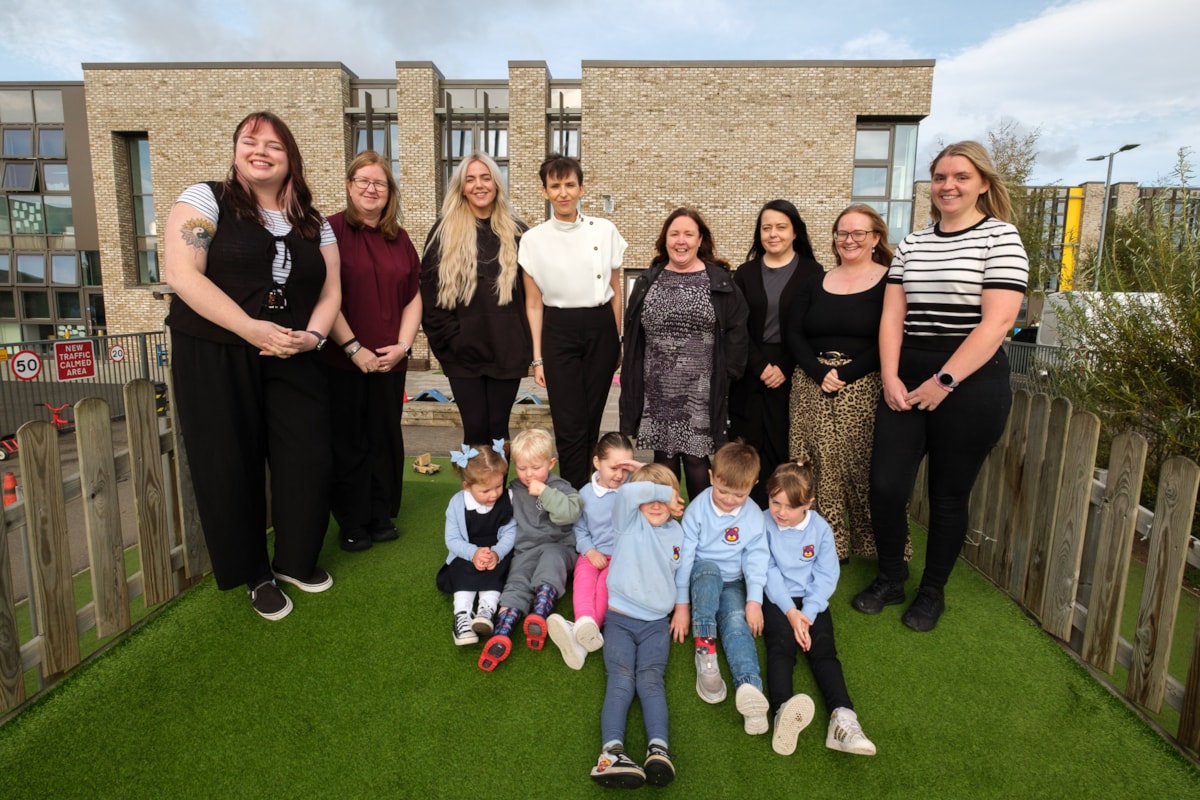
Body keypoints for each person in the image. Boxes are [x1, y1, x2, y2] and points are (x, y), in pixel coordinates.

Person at [163, 111, 340, 620]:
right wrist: (249, 328)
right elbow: (182, 272)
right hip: (216, 350)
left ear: (291, 159)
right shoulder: (205, 199)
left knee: (307, 456)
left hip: (296, 351)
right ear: (237, 149)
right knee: (228, 461)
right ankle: (254, 574)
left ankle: (294, 560)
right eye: (250, 141)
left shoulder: (313, 222)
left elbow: (331, 290)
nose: (260, 151)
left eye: (274, 145)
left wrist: (314, 336)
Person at [853, 141, 1029, 632]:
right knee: (886, 487)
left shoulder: (1001, 239)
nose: (948, 185)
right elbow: (893, 315)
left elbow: (997, 323)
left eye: (961, 177)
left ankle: (932, 592)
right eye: (941, 177)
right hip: (905, 379)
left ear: (984, 185)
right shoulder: (912, 244)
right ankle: (891, 577)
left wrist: (944, 381)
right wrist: (890, 375)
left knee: (949, 495)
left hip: (970, 383)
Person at [787, 204, 900, 562]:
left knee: (861, 466)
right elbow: (793, 332)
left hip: (864, 386)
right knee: (817, 466)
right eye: (842, 233)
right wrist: (820, 373)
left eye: (858, 234)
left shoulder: (891, 281)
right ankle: (830, 544)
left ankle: (873, 545)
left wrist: (846, 375)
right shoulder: (815, 280)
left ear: (875, 238)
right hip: (811, 386)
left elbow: (892, 336)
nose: (848, 240)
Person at [325, 151, 422, 552]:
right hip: (341, 361)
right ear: (349, 186)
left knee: (384, 438)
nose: (371, 188)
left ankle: (380, 515)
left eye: (379, 183)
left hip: (389, 363)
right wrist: (353, 348)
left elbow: (414, 296)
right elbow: (324, 295)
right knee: (349, 441)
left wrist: (402, 347)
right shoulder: (329, 231)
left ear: (389, 192)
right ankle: (352, 521)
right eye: (363, 181)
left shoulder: (399, 239)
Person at [620, 207, 749, 500]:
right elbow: (634, 335)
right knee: (663, 460)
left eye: (688, 234)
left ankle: (702, 528)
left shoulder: (720, 281)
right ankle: (665, 533)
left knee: (696, 459)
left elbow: (738, 332)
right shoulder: (647, 280)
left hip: (701, 390)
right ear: (665, 239)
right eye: (674, 234)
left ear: (700, 239)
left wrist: (728, 375)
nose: (681, 241)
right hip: (657, 388)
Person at [520, 154, 627, 489]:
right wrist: (538, 358)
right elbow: (534, 304)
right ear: (545, 192)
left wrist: (617, 339)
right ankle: (570, 500)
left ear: (581, 188)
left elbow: (616, 291)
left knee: (591, 419)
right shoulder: (533, 239)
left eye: (569, 185)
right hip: (558, 329)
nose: (563, 192)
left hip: (600, 328)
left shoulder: (605, 230)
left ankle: (589, 497)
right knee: (568, 423)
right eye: (555, 186)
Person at [762, 460, 877, 757]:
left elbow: (826, 576)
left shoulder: (821, 529)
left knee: (824, 652)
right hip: (778, 600)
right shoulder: (762, 523)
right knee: (781, 647)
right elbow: (767, 570)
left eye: (789, 507)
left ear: (809, 504)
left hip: (812, 602)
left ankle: (843, 720)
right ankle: (782, 711)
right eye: (775, 503)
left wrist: (808, 614)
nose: (781, 513)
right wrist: (791, 612)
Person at [420, 152, 530, 445]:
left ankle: (497, 493)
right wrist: (453, 341)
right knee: (475, 429)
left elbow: (534, 295)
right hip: (462, 354)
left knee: (498, 431)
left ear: (496, 183)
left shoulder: (519, 233)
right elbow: (429, 297)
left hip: (505, 351)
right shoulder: (443, 232)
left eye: (485, 177)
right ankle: (475, 493)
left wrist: (527, 344)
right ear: (462, 187)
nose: (479, 185)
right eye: (470, 179)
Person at [588, 464, 686, 789]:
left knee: (651, 681)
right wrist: (658, 489)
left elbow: (681, 576)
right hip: (619, 621)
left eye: (664, 496)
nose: (656, 505)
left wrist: (681, 609)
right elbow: (628, 493)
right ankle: (610, 754)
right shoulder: (628, 522)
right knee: (621, 679)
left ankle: (659, 749)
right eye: (650, 496)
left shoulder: (678, 533)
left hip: (657, 624)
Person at [670, 442, 771, 735]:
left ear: (753, 486)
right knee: (710, 570)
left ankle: (750, 687)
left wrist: (754, 601)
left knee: (736, 623)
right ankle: (706, 652)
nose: (729, 500)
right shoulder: (698, 509)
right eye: (723, 491)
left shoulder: (753, 515)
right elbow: (686, 556)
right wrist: (681, 604)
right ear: (712, 476)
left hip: (733, 583)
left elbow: (756, 558)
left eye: (739, 494)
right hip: (702, 578)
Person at [729, 199, 823, 507]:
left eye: (781, 227)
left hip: (793, 372)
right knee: (748, 451)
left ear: (795, 232)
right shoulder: (743, 273)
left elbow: (812, 327)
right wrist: (760, 365)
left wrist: (784, 365)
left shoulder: (813, 272)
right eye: (766, 228)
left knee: (784, 449)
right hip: (750, 372)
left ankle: (783, 517)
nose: (773, 234)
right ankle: (745, 519)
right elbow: (736, 326)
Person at [479, 428, 583, 671]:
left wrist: (546, 492)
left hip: (559, 547)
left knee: (550, 563)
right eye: (522, 468)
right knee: (517, 578)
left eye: (535, 468)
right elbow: (501, 519)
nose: (528, 474)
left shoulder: (560, 486)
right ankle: (503, 630)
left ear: (551, 463)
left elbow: (571, 512)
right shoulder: (513, 489)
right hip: (526, 549)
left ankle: (539, 613)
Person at [547, 432, 642, 670]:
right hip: (592, 554)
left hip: (621, 557)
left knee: (605, 587)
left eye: (625, 468)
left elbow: (659, 481)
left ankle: (580, 632)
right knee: (583, 582)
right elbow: (579, 528)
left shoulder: (634, 489)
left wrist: (639, 469)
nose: (620, 475)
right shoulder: (585, 494)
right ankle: (585, 625)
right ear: (597, 462)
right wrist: (589, 551)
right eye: (614, 468)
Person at [436, 441, 515, 646]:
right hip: (467, 552)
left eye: (498, 486)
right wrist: (473, 553)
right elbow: (452, 540)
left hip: (496, 552)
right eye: (486, 490)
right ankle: (462, 615)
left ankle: (486, 612)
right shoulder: (457, 503)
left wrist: (497, 553)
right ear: (467, 487)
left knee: (500, 569)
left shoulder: (507, 499)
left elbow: (510, 531)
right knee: (462, 569)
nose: (494, 494)